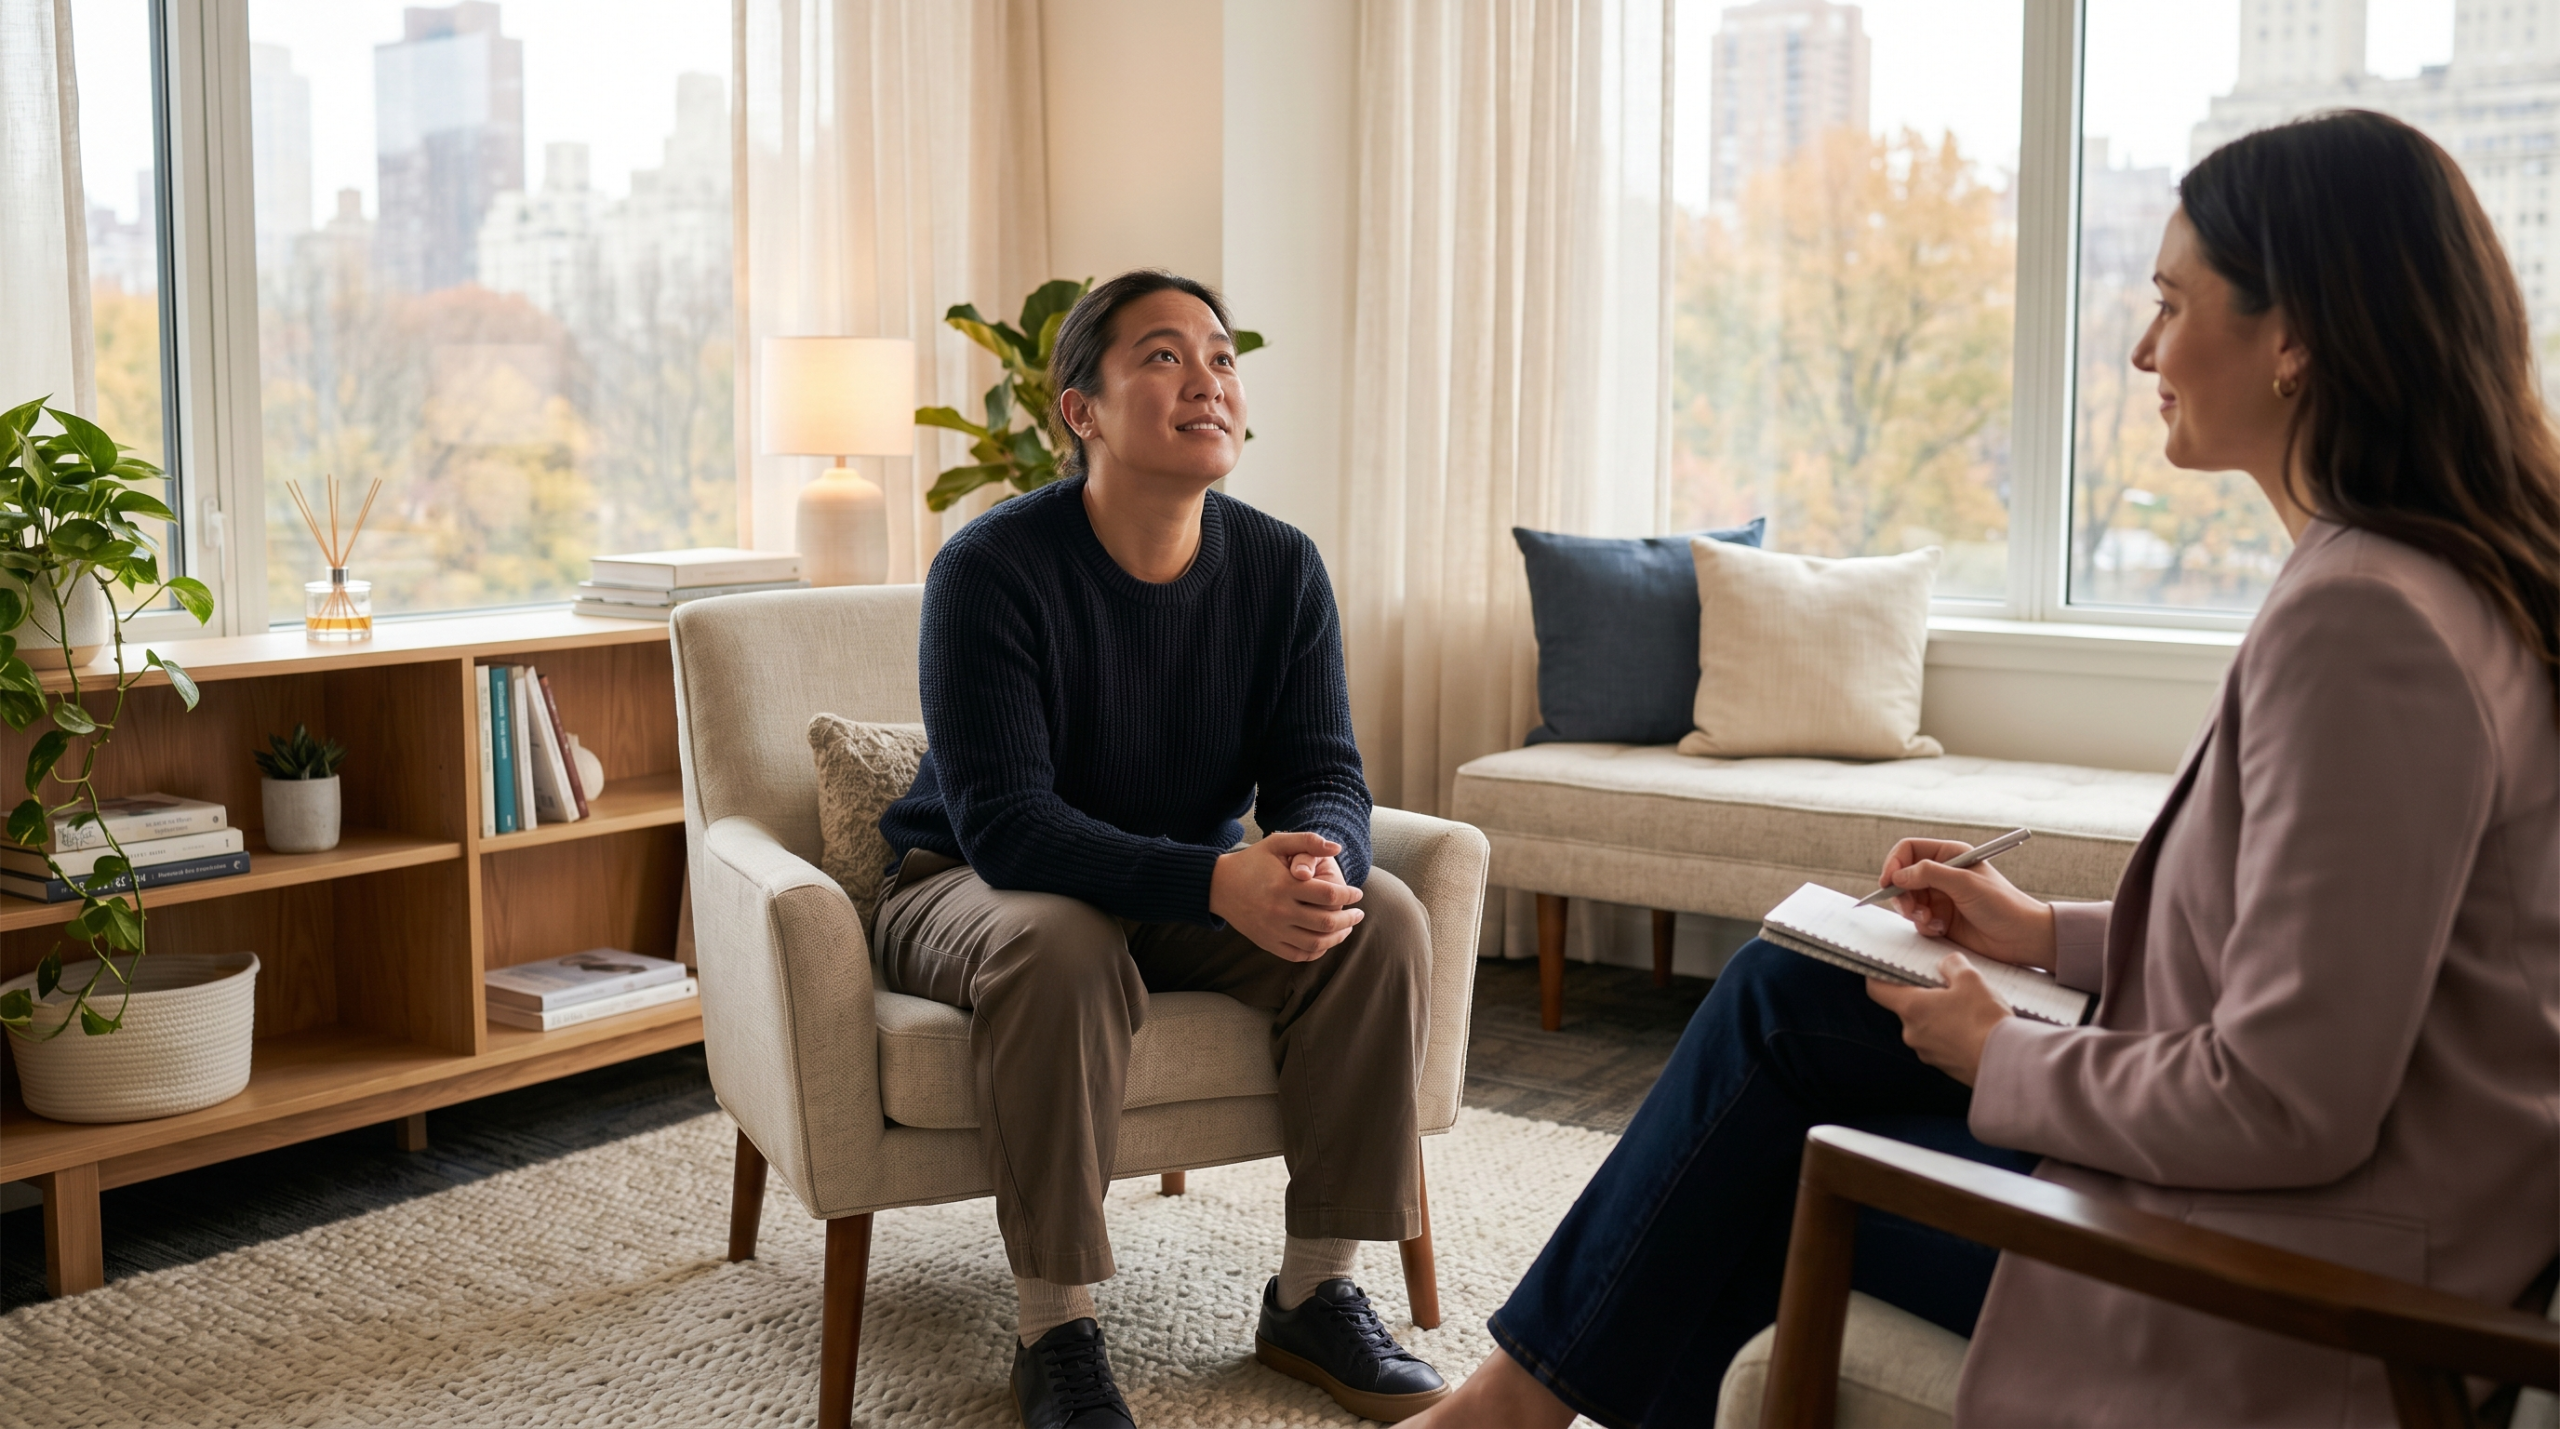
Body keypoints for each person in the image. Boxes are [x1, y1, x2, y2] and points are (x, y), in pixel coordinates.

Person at [1411, 109, 2560, 1428]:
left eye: (2173, 305)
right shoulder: (2432, 580)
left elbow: (2292, 1101)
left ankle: (1507, 1410)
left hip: (2295, 1291)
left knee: (1758, 1163)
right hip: (2322, 1210)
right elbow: (2320, 949)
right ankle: (1509, 1405)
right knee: (1790, 989)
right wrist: (2039, 932)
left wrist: (2000, 1050)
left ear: (2294, 336)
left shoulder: (2369, 626)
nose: (2143, 351)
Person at [874, 270, 1450, 1428]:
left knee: (1375, 915)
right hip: (975, 884)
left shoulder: (1279, 566)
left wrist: (1318, 861)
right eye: (1163, 357)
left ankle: (1314, 1293)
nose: (1207, 381)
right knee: (1063, 943)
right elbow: (1007, 825)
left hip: (1175, 885)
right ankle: (1056, 1328)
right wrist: (1212, 877)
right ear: (1079, 410)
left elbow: (1323, 770)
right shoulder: (989, 568)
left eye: (1223, 358)